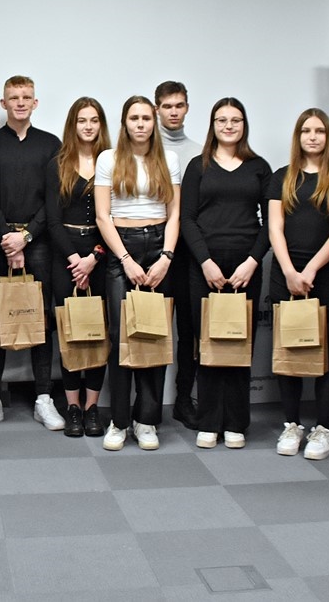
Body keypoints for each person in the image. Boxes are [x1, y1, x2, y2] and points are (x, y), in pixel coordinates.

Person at [0, 76, 63, 433]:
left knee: (41, 318)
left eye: (26, 97)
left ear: (35, 103)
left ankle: (44, 398)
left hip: (39, 242)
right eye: (13, 97)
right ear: (3, 103)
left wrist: (25, 237)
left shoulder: (51, 144)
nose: (20, 103)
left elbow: (53, 200)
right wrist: (8, 238)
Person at [180, 98, 271, 449]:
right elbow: (187, 219)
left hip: (245, 268)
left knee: (238, 344)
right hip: (204, 267)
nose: (229, 126)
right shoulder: (198, 166)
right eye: (222, 120)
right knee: (208, 344)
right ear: (212, 125)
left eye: (235, 120)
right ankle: (209, 420)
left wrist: (253, 261)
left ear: (244, 125)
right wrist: (205, 261)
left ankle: (235, 422)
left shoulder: (259, 167)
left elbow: (271, 222)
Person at [95, 95, 181, 451]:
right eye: (134, 118)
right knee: (121, 337)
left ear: (154, 121)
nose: (141, 124)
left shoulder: (169, 159)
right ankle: (118, 421)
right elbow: (103, 216)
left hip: (159, 247)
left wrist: (166, 257)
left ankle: (146, 420)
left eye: (146, 117)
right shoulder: (108, 158)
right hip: (122, 249)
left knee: (154, 336)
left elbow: (174, 214)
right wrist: (126, 259)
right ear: (125, 122)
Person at [266, 108, 329, 460]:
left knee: (325, 358)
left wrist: (313, 269)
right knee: (289, 354)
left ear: (328, 136)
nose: (312, 137)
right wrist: (290, 271)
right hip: (285, 276)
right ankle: (292, 424)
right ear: (298, 136)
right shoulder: (282, 176)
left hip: (326, 276)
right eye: (306, 131)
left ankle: (322, 428)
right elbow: (274, 227)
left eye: (319, 131)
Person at [45, 97, 112, 437]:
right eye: (82, 120)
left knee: (98, 332)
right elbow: (52, 220)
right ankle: (72, 406)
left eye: (94, 120)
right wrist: (76, 260)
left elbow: (114, 216)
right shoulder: (57, 164)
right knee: (70, 331)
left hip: (101, 255)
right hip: (66, 257)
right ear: (73, 124)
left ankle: (91, 407)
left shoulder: (113, 162)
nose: (88, 126)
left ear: (101, 125)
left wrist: (94, 258)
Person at [155, 81, 202, 429]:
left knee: (188, 330)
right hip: (151, 249)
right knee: (151, 326)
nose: (173, 112)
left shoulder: (200, 153)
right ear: (157, 108)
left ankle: (183, 399)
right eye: (167, 106)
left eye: (179, 105)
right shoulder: (145, 148)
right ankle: (148, 405)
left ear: (187, 108)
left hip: (188, 253)